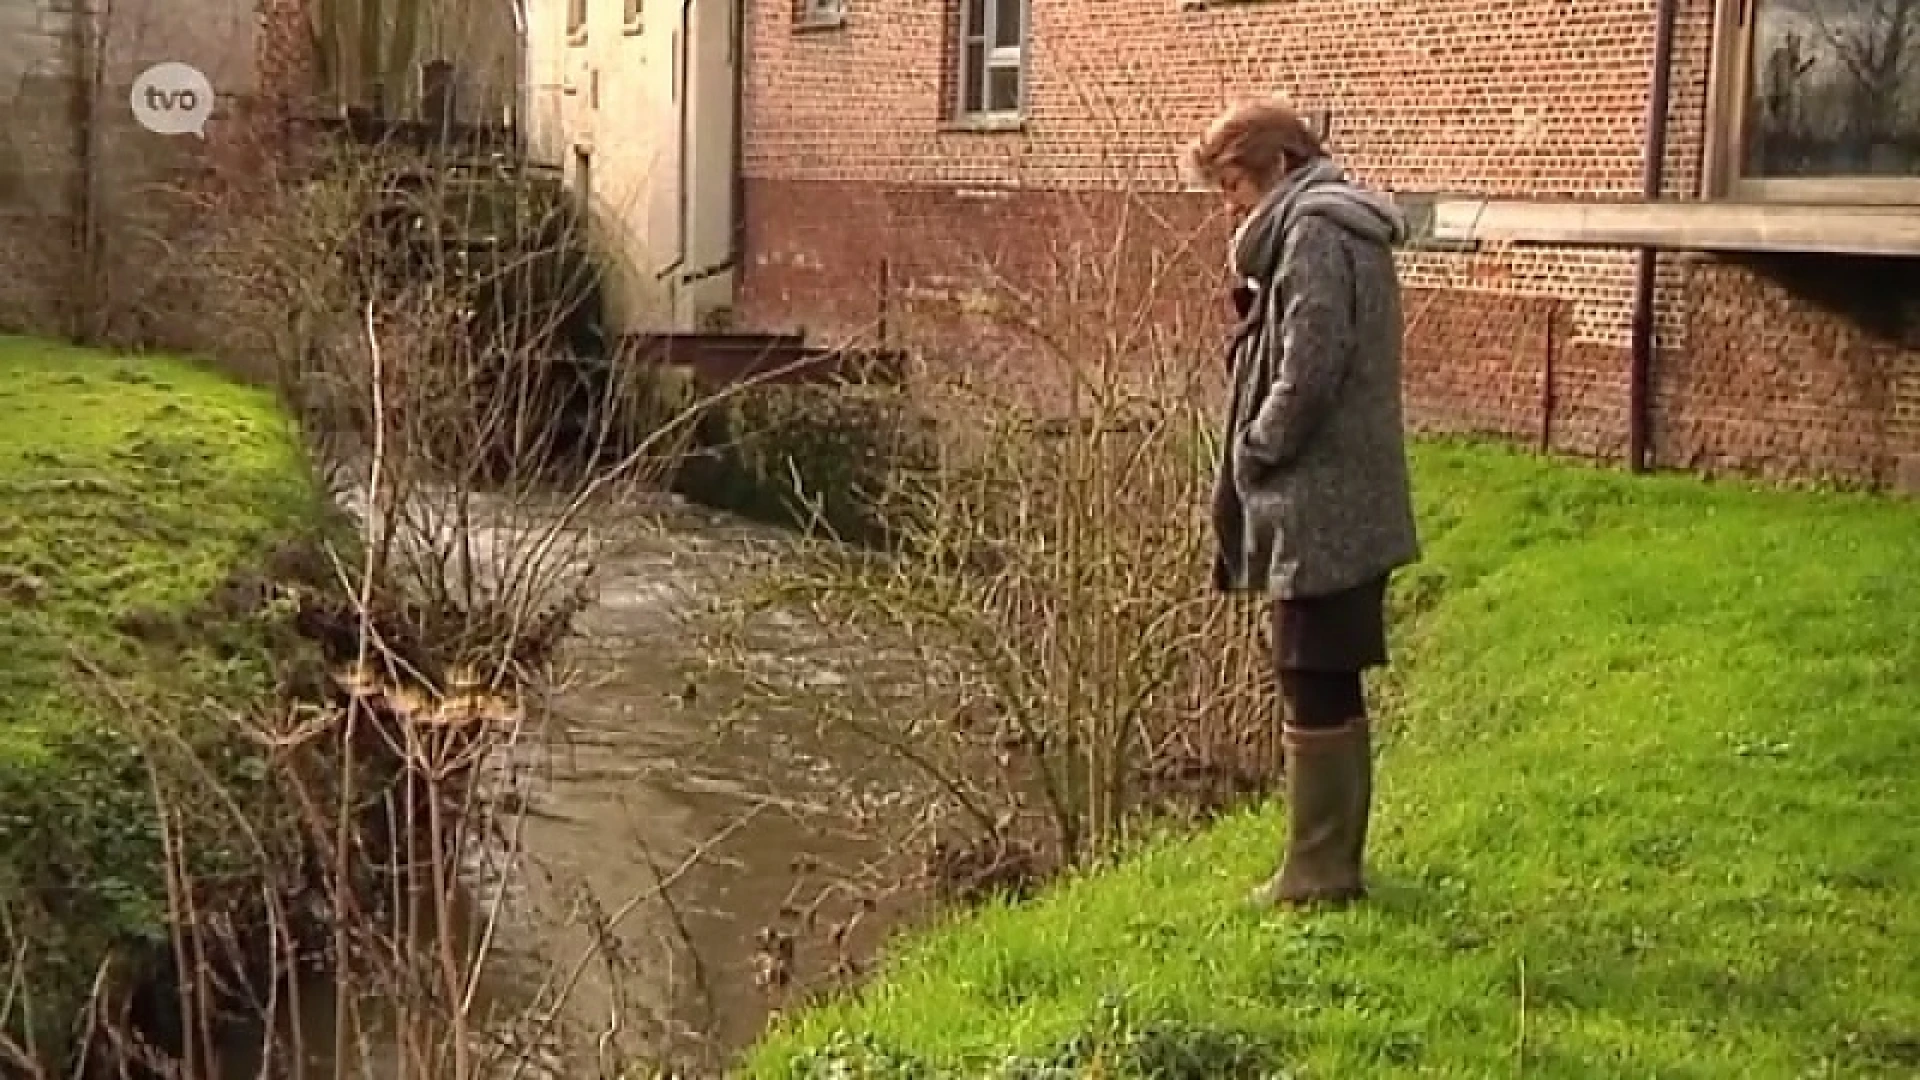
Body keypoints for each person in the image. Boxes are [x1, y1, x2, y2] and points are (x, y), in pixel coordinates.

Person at [1189, 97, 1420, 908]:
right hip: (1343, 494)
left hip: (1323, 500)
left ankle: (1319, 873)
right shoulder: (1329, 229)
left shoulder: (1316, 234)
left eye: (1234, 184)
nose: (1229, 205)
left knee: (1312, 672)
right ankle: (1327, 864)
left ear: (1280, 168)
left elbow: (1311, 367)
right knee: (1322, 671)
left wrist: (1258, 444)